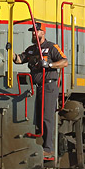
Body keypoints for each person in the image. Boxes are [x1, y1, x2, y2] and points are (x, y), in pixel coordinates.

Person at [14, 22, 68, 158]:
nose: (33, 33)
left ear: (43, 32)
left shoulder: (52, 47)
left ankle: (49, 149)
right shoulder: (31, 50)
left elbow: (64, 61)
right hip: (34, 87)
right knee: (35, 117)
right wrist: (11, 53)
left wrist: (49, 64)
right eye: (32, 31)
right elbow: (19, 60)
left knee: (46, 117)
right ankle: (34, 145)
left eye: (36, 31)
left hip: (48, 86)